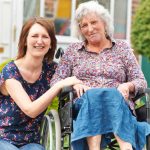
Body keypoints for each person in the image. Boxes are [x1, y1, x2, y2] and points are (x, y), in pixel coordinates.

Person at [50, 1, 150, 150]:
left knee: (112, 94)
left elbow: (141, 81)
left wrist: (127, 85)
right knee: (93, 95)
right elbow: (55, 81)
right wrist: (73, 83)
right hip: (84, 105)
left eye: (94, 22)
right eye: (84, 25)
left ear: (104, 23)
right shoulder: (73, 51)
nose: (89, 29)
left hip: (118, 106)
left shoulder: (122, 48)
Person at [0, 17, 82, 150]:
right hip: (3, 138)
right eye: (34, 36)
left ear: (51, 44)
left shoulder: (52, 70)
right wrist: (57, 86)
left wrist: (76, 84)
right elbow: (30, 110)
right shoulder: (10, 71)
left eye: (45, 36)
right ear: (25, 40)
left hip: (32, 141)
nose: (40, 41)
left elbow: (70, 80)